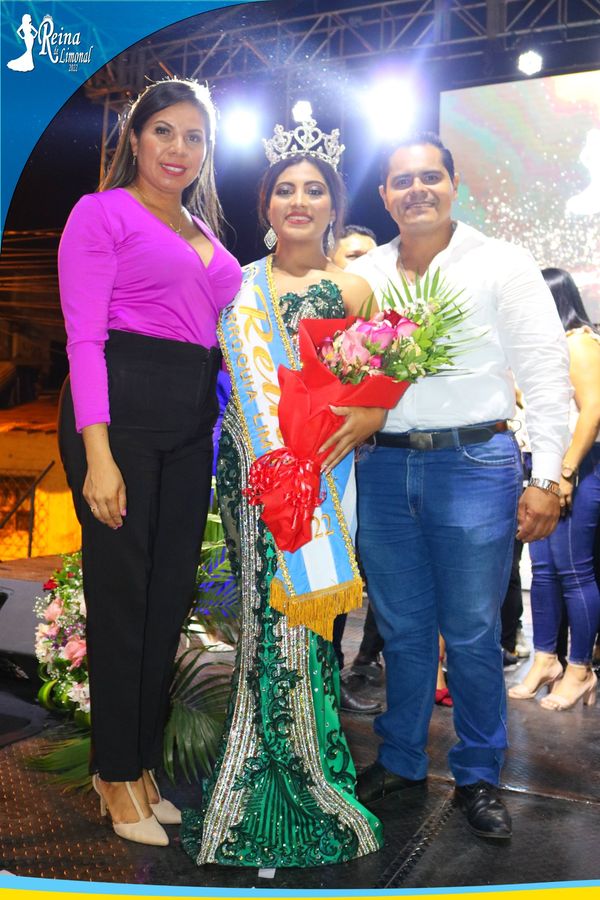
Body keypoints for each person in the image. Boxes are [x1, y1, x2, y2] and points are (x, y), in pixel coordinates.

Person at [348, 132, 570, 840]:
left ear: (453, 183)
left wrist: (548, 476)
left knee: (473, 633)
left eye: (430, 177)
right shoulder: (365, 275)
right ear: (384, 195)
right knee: (403, 629)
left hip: (474, 464)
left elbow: (545, 375)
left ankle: (477, 773)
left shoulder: (501, 263)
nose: (417, 189)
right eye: (401, 180)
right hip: (383, 467)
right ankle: (402, 761)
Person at [182, 120, 384, 867]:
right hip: (251, 478)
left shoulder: (357, 289)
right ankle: (253, 771)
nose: (300, 201)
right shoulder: (232, 285)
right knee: (260, 626)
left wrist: (370, 415)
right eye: (286, 190)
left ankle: (307, 774)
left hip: (321, 484)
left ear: (334, 203)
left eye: (315, 190)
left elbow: (370, 392)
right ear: (266, 204)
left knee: (308, 626)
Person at [57, 79, 242, 846]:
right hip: (120, 416)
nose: (178, 148)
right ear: (134, 138)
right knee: (124, 601)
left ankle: (137, 767)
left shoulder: (202, 227)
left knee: (166, 605)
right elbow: (84, 339)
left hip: (190, 423)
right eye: (164, 131)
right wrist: (99, 456)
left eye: (194, 137)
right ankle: (113, 772)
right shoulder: (101, 213)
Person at [509, 268, 600, 710]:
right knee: (543, 569)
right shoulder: (544, 346)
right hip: (541, 464)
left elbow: (593, 409)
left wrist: (565, 472)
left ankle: (580, 669)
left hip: (577, 465)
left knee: (575, 570)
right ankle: (546, 660)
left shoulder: (579, 342)